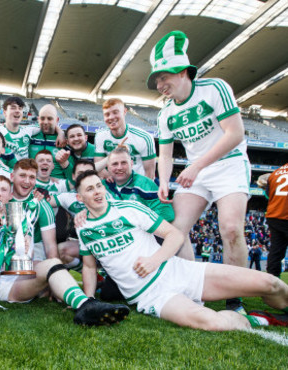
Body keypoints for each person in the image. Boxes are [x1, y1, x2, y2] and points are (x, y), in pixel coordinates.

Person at [74, 170, 288, 331]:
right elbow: (89, 266)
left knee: (270, 283)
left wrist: (154, 260)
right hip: (151, 295)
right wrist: (89, 300)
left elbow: (175, 234)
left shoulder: (129, 209)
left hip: (178, 270)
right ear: (80, 198)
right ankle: (259, 320)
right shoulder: (83, 227)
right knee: (211, 322)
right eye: (90, 189)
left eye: (99, 186)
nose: (97, 192)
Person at [150, 30, 250, 313]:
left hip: (228, 163)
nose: (159, 84)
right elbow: (165, 153)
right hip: (197, 172)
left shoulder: (214, 88)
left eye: (163, 77)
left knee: (231, 228)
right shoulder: (165, 113)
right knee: (175, 230)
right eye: (157, 79)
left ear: (182, 72)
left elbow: (235, 134)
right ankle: (192, 290)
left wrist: (195, 166)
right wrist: (165, 181)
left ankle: (235, 300)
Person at [0, 175, 130, 325]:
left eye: (3, 190)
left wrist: (24, 249)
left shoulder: (19, 221)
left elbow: (23, 264)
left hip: (14, 284)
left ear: (10, 195)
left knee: (52, 263)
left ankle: (85, 306)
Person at [0, 69, 64, 161]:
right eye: (13, 108)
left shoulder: (29, 130)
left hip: (23, 174)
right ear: (5, 112)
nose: (17, 111)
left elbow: (47, 124)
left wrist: (61, 132)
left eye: (20, 108)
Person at [104, 147, 174, 223]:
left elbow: (166, 214)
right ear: (108, 167)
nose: (119, 167)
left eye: (124, 163)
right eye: (115, 164)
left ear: (131, 163)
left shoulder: (144, 184)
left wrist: (138, 226)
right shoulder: (102, 186)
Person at [94, 98, 156, 179]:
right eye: (107, 114)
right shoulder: (100, 135)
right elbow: (99, 168)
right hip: (112, 186)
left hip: (136, 187)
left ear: (124, 111)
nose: (111, 117)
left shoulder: (144, 138)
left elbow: (149, 174)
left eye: (115, 112)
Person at [257, 163, 288, 277]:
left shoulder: (276, 172)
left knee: (276, 251)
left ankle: (272, 282)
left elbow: (267, 196)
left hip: (274, 216)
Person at [29, 105, 67, 179]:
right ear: (38, 119)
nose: (45, 122)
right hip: (32, 184)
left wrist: (61, 133)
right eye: (42, 118)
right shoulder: (29, 136)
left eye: (50, 119)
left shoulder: (64, 141)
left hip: (57, 186)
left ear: (57, 120)